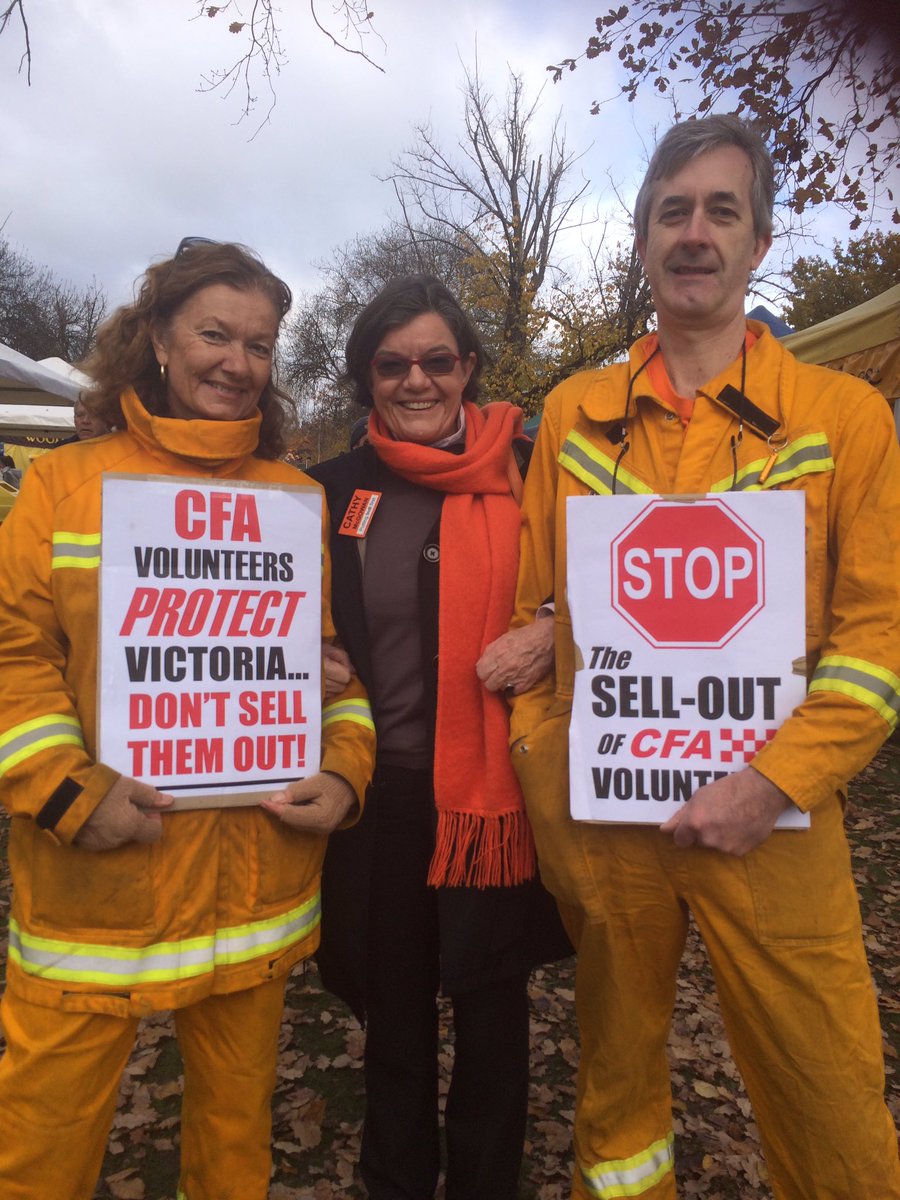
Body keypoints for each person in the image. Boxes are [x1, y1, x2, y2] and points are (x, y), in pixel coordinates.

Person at [510, 115, 900, 1200]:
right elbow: (531, 611)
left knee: (830, 1098)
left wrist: (772, 780)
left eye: (720, 211)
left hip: (770, 817)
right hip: (609, 826)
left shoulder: (844, 416)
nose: (694, 233)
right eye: (672, 211)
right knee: (618, 1094)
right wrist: (551, 774)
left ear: (759, 243)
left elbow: (878, 641)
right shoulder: (573, 417)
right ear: (640, 238)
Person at [0, 239, 375, 1200]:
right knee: (37, 1152)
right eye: (215, 333)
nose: (236, 362)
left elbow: (328, 672)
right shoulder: (60, 487)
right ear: (159, 337)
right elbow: (12, 662)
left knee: (233, 1147)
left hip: (255, 892)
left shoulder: (294, 503)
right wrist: (71, 793)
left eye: (259, 344)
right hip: (98, 888)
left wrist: (344, 774)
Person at [302, 275, 571, 1200]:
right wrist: (301, 653)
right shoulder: (325, 493)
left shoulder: (538, 471)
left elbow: (611, 588)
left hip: (502, 794)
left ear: (470, 370)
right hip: (381, 796)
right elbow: (268, 613)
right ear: (364, 378)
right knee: (398, 1024)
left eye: (437, 361)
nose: (416, 381)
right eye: (392, 364)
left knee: (496, 1017)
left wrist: (551, 633)